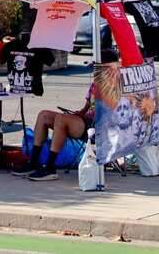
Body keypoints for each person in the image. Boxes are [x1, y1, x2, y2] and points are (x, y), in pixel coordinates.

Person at [13, 48, 119, 181]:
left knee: (61, 120)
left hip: (99, 127)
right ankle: (33, 162)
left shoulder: (115, 84)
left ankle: (50, 167)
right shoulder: (96, 82)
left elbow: (111, 113)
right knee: (44, 115)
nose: (94, 70)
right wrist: (78, 113)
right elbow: (86, 108)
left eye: (97, 67)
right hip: (86, 121)